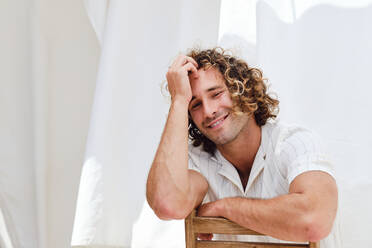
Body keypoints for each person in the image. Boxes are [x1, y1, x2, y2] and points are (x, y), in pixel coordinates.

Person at [146, 47, 340, 246]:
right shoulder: (198, 161)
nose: (209, 111)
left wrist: (224, 207)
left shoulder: (296, 143)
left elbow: (314, 222)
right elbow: (167, 204)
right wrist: (179, 100)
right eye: (195, 105)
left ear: (243, 90)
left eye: (216, 94)